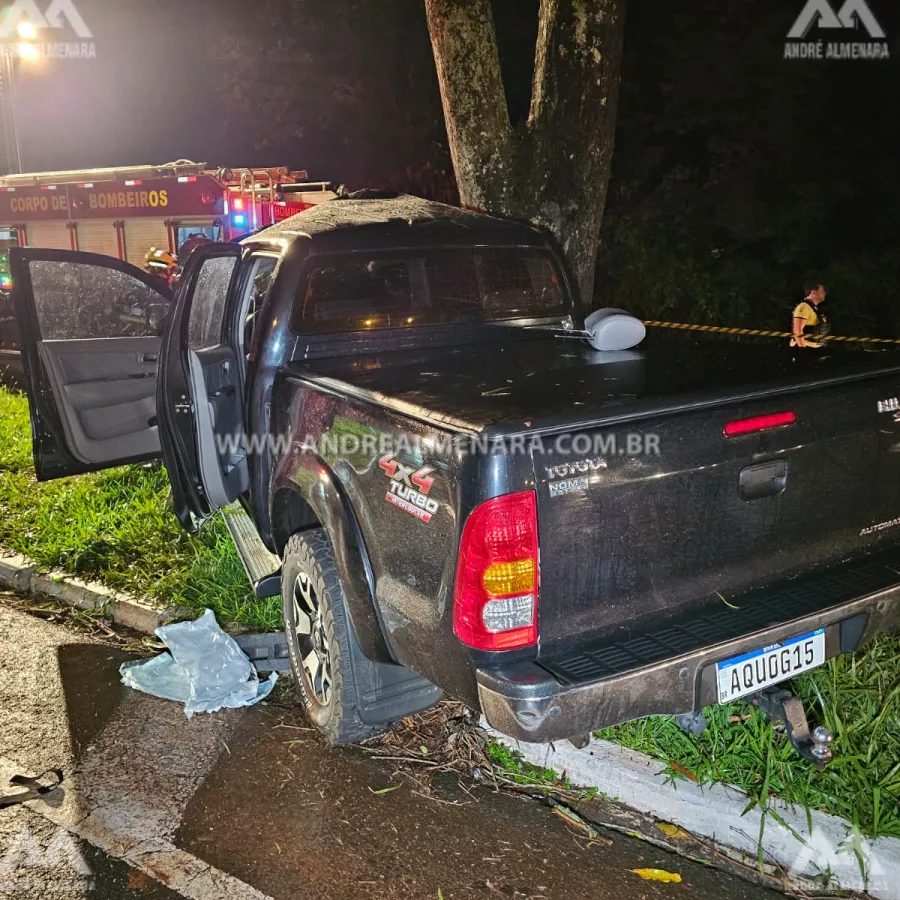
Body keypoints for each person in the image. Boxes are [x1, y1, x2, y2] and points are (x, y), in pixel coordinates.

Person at [791, 281, 829, 348]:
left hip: (814, 349)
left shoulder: (814, 309)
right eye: (822, 291)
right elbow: (797, 330)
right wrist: (803, 350)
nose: (824, 293)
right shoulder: (804, 306)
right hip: (805, 348)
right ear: (813, 292)